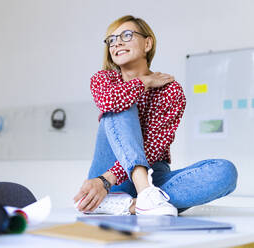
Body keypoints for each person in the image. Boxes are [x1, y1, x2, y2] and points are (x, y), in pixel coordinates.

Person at [73, 15, 238, 216]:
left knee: (225, 171)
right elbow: (110, 102)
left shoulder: (171, 90)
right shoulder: (104, 79)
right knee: (121, 103)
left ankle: (130, 204)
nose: (117, 43)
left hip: (151, 174)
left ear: (147, 43)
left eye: (126, 35)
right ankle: (145, 198)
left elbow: (153, 147)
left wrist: (116, 179)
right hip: (108, 178)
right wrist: (144, 83)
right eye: (112, 40)